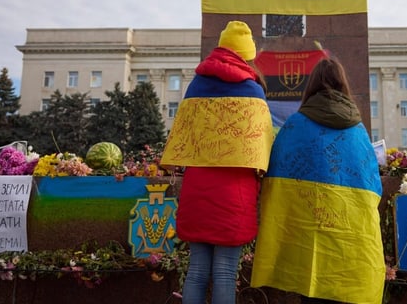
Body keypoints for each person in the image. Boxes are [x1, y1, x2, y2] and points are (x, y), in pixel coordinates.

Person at [250, 57, 385, 304]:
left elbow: (276, 169)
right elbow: (373, 183)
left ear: (311, 85)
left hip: (304, 231)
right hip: (347, 234)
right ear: (343, 84)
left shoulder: (295, 124)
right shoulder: (357, 129)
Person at [160, 20, 274, 304]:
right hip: (235, 192)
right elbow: (263, 146)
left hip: (198, 187)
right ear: (246, 54)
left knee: (196, 271)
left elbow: (181, 136)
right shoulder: (252, 90)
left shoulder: (196, 86)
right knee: (225, 272)